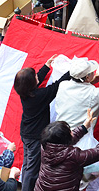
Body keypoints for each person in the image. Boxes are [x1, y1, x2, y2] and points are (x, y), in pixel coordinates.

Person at [13, 54, 71, 191]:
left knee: (28, 165)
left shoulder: (24, 92)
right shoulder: (39, 96)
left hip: (26, 133)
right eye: (35, 77)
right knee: (32, 169)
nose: (37, 77)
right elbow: (56, 86)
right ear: (32, 83)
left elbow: (35, 82)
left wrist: (46, 65)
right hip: (34, 137)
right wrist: (72, 71)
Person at [34, 110, 99, 191]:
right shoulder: (72, 155)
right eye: (70, 131)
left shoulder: (46, 146)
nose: (72, 131)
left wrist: (84, 127)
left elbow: (67, 139)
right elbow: (96, 153)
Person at [55, 58, 99, 129]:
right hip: (81, 136)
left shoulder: (63, 85)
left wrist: (91, 81)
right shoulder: (95, 93)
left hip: (60, 132)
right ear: (87, 77)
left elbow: (80, 89)